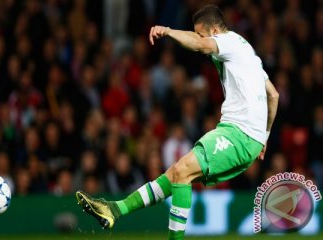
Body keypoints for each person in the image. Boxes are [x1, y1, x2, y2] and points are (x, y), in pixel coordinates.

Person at [75, 4, 279, 239]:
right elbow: (273, 95)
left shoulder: (229, 42)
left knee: (182, 171)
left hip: (239, 133)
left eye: (201, 34)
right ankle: (115, 210)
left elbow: (201, 44)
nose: (199, 39)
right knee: (175, 174)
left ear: (214, 30)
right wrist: (264, 136)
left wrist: (168, 31)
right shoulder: (249, 55)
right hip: (246, 136)